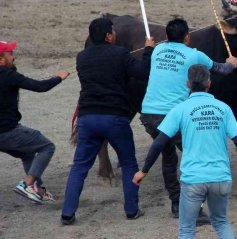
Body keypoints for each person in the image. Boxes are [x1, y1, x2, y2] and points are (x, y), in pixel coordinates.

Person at [134, 64, 237, 239]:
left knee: (187, 229)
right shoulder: (223, 108)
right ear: (209, 83)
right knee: (221, 222)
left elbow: (159, 143)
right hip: (220, 177)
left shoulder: (179, 110)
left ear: (187, 84)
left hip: (194, 179)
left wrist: (144, 171)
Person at [140, 18, 237, 218]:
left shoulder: (157, 51)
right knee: (194, 155)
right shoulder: (194, 55)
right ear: (187, 37)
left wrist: (148, 47)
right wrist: (232, 63)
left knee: (168, 157)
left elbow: (149, 56)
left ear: (166, 37)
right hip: (173, 115)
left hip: (149, 114)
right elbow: (221, 70)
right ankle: (195, 204)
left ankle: (177, 203)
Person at [61, 18, 155, 225]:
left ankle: (67, 213)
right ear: (108, 36)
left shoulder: (82, 57)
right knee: (129, 163)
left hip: (87, 119)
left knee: (79, 167)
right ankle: (131, 210)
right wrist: (148, 51)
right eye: (112, 32)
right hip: (114, 118)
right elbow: (143, 73)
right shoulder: (120, 54)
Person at [0, 40, 69, 203]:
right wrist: (59, 78)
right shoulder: (9, 76)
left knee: (27, 152)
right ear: (1, 60)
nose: (14, 57)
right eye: (10, 54)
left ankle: (38, 189)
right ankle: (27, 184)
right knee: (46, 146)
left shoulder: (9, 73)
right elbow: (40, 86)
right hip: (6, 131)